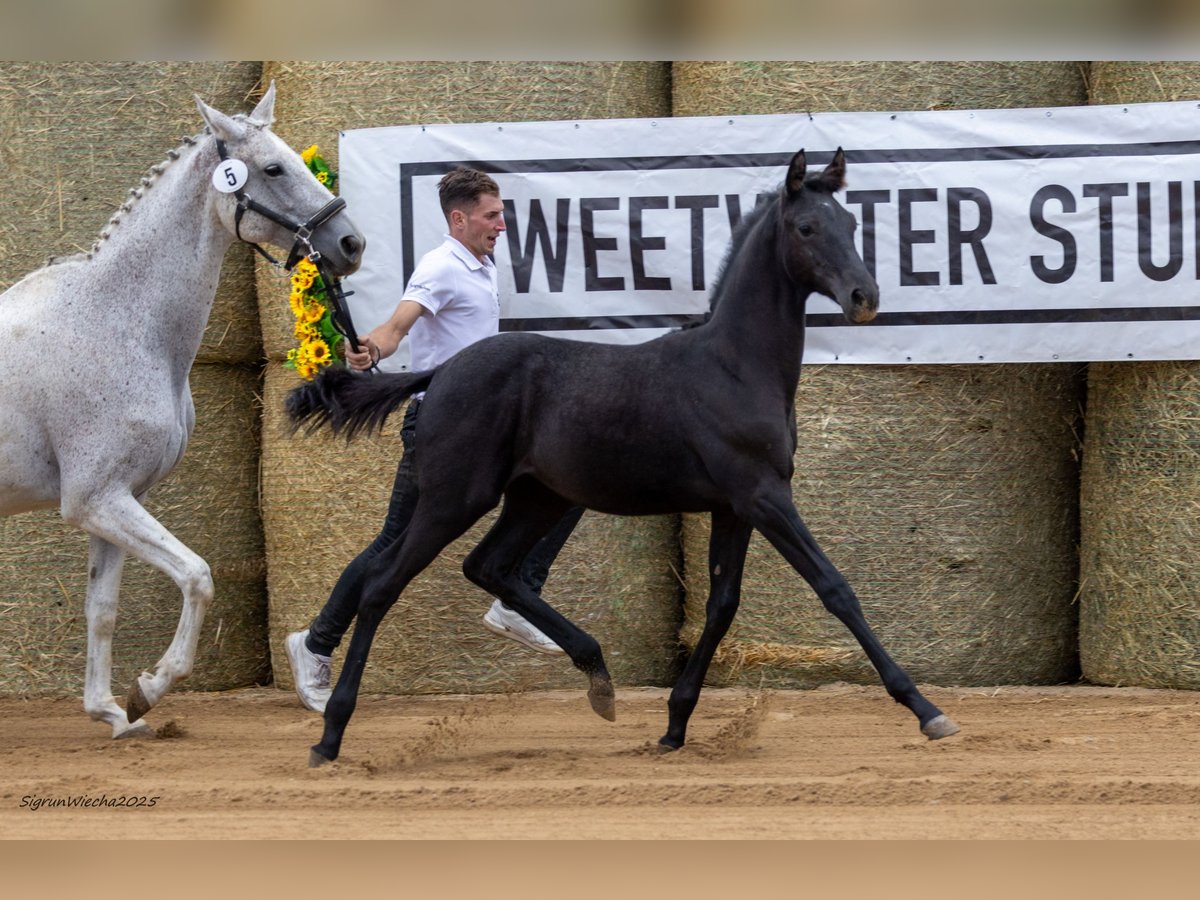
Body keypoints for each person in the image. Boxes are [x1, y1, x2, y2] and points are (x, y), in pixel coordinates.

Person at [285, 167, 584, 713]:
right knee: (395, 546)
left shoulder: (481, 265)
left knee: (571, 484)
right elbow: (398, 326)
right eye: (492, 215)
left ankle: (517, 594)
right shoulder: (443, 266)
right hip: (444, 431)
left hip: (486, 430)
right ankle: (315, 643)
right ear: (459, 218)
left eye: (500, 213)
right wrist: (372, 350)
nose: (502, 224)